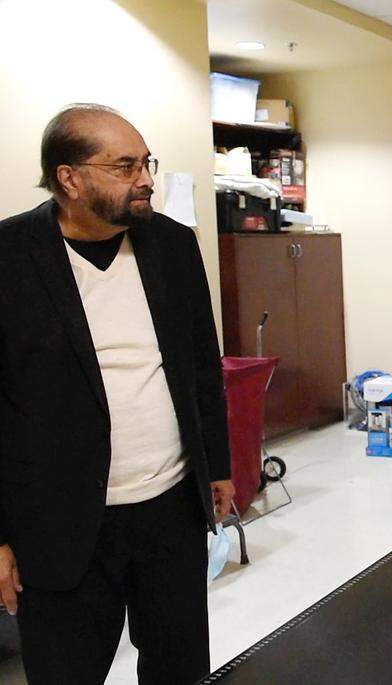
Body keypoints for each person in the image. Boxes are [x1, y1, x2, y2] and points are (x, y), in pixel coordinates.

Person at [0, 103, 234, 684]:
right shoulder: (9, 258)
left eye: (145, 163)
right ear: (69, 178)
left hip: (170, 510)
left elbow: (203, 367)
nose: (146, 179)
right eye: (124, 166)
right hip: (60, 525)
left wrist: (218, 468)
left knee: (179, 668)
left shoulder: (173, 246)